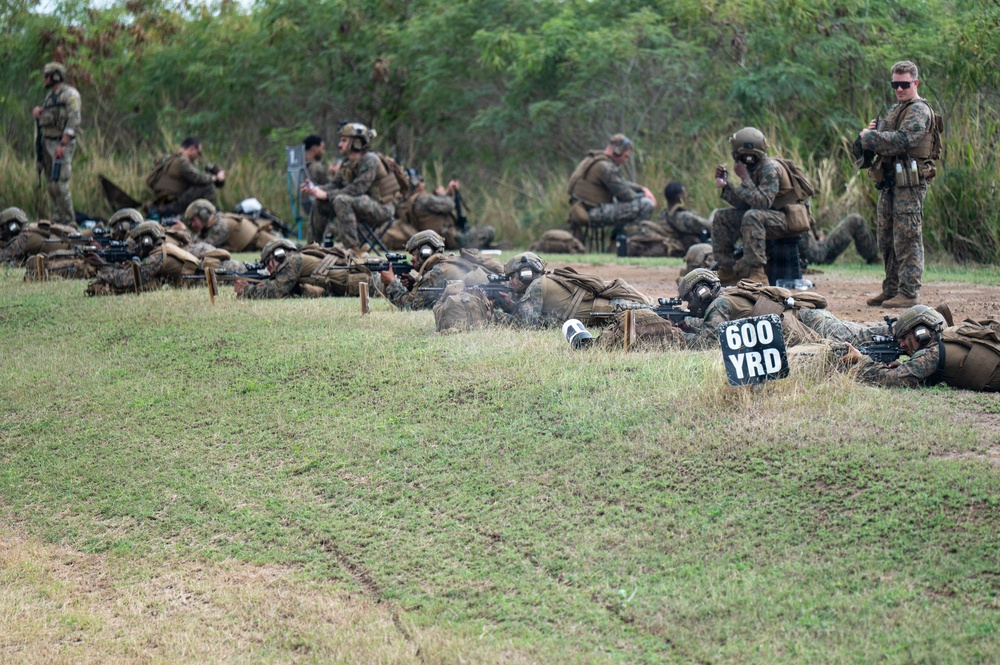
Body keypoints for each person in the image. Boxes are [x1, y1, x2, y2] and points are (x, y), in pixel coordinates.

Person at [858, 61, 939, 308]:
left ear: (915, 83)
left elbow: (904, 140)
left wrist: (870, 137)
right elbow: (885, 140)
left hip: (909, 184)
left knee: (907, 236)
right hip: (891, 182)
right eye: (896, 84)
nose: (899, 89)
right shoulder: (896, 109)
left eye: (904, 84)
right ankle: (891, 289)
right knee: (886, 238)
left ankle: (908, 292)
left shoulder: (919, 110)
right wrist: (871, 135)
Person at [712, 127, 809, 286]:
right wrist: (725, 185)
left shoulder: (770, 168)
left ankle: (757, 273)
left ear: (747, 155)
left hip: (787, 220)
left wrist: (744, 179)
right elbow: (746, 203)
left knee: (752, 216)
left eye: (736, 153)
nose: (734, 156)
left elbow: (763, 202)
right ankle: (727, 269)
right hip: (770, 217)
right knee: (721, 217)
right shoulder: (755, 168)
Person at [838, 305, 1000, 391]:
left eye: (905, 338)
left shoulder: (933, 353)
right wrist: (906, 367)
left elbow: (892, 380)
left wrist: (861, 361)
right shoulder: (946, 337)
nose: (901, 344)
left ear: (920, 332)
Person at [301, 122, 400, 250]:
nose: (339, 144)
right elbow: (334, 184)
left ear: (356, 142)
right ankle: (312, 248)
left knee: (341, 200)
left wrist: (327, 195)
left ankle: (352, 250)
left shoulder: (370, 160)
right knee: (320, 201)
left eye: (344, 140)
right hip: (361, 204)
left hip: (382, 207)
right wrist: (316, 190)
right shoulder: (347, 162)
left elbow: (358, 189)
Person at [493, 252, 652, 328]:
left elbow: (527, 325)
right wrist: (510, 305)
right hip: (609, 310)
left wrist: (496, 316)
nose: (510, 281)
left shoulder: (537, 285)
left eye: (512, 276)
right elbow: (540, 320)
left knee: (653, 317)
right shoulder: (543, 281)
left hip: (615, 309)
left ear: (525, 273)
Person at [379, 230, 503, 311]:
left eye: (415, 254)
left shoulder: (437, 272)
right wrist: (413, 286)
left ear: (425, 252)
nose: (412, 260)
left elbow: (410, 307)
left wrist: (391, 283)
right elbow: (432, 298)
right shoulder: (448, 262)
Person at [566, 134, 656, 242]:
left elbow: (620, 183)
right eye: (626, 156)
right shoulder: (606, 168)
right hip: (592, 212)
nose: (625, 160)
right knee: (646, 204)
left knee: (624, 207)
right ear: (617, 151)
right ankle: (633, 242)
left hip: (582, 208)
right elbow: (627, 196)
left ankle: (617, 242)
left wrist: (642, 189)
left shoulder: (595, 160)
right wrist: (644, 197)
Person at [85, 222, 200, 296]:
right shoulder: (162, 250)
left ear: (147, 241)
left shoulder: (157, 257)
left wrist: (102, 265)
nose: (135, 247)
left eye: (137, 243)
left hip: (199, 283)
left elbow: (128, 280)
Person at [33, 62, 81, 225]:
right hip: (47, 142)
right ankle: (58, 218)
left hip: (61, 144)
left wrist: (63, 144)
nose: (44, 79)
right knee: (51, 184)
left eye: (47, 76)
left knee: (60, 183)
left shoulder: (70, 95)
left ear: (55, 76)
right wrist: (39, 112)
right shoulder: (50, 97)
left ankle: (69, 220)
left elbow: (74, 119)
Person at [146, 137, 226, 216]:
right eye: (198, 153)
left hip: (161, 202)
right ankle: (208, 217)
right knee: (208, 186)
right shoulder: (183, 161)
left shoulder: (168, 159)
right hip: (173, 204)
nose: (198, 156)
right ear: (192, 149)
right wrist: (216, 178)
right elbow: (197, 178)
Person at [627, 182, 711, 257]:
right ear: (680, 196)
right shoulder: (683, 216)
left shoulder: (663, 215)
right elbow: (708, 226)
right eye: (684, 193)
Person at [182, 199, 277, 253]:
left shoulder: (222, 225)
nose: (193, 224)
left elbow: (203, 246)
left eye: (194, 220)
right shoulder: (213, 225)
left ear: (203, 215)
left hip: (262, 241)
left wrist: (183, 232)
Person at [799, 213, 878, 266]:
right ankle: (875, 260)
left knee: (856, 220)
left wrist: (817, 233)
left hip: (815, 247)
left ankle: (875, 260)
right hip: (816, 254)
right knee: (856, 220)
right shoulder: (791, 197)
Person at [0, 208, 72, 266]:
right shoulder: (31, 230)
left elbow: (5, 256)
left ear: (13, 226)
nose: (2, 232)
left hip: (68, 254)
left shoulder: (24, 237)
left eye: (3, 227)